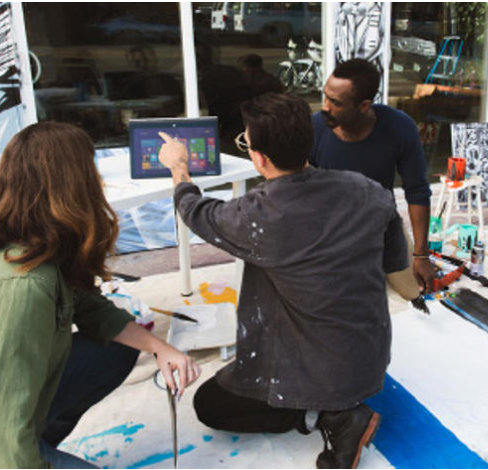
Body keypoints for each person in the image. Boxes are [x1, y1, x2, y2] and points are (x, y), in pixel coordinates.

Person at [0, 122, 201, 468]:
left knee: (117, 347)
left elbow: (87, 304)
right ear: (73, 186)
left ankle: (40, 439)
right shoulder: (23, 287)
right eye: (90, 171)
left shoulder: (31, 244)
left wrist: (161, 348)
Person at [157, 93, 408, 469]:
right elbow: (393, 262)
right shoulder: (368, 190)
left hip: (324, 372)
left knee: (208, 404)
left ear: (257, 157)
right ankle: (332, 409)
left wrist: (178, 168)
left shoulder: (258, 216)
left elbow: (195, 210)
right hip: (370, 361)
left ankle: (331, 417)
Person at [310, 58, 436, 300]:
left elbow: (418, 190)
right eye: (325, 96)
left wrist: (421, 255)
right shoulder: (314, 128)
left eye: (335, 102)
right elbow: (297, 189)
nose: (325, 107)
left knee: (413, 292)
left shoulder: (400, 127)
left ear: (364, 105)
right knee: (336, 298)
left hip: (382, 226)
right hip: (331, 231)